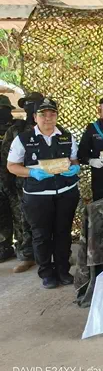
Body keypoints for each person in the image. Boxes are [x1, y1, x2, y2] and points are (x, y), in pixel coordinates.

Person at [6, 98, 80, 289]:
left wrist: (74, 168)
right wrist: (32, 172)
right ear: (34, 117)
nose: (48, 118)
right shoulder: (23, 138)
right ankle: (47, 273)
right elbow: (12, 166)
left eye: (52, 114)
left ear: (56, 116)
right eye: (43, 114)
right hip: (37, 195)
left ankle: (63, 271)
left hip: (66, 192)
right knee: (41, 235)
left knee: (63, 233)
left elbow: (74, 160)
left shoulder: (66, 136)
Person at [0, 92, 42, 272]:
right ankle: (27, 255)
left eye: (34, 103)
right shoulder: (16, 130)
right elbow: (5, 158)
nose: (29, 107)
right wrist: (6, 181)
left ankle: (54, 253)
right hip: (20, 183)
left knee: (49, 219)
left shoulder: (52, 127)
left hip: (47, 182)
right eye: (27, 104)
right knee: (23, 220)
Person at [0, 94, 17, 263]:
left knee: (20, 214)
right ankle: (4, 246)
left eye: (5, 109)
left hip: (15, 178)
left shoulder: (16, 127)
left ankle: (23, 247)